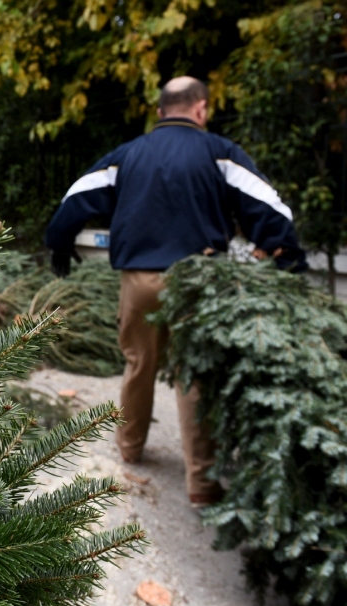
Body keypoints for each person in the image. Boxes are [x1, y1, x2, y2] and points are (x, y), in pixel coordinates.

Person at [44, 76, 306, 507]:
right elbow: (269, 207)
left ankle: (130, 449)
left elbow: (78, 195)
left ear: (161, 111)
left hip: (139, 281)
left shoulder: (128, 155)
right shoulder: (220, 152)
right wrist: (288, 256)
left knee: (138, 363)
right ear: (201, 109)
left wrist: (59, 240)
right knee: (195, 375)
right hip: (197, 282)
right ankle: (202, 484)